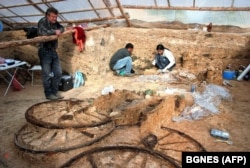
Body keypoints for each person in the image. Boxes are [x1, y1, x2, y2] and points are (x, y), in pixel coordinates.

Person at [38, 7, 64, 100]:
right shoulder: (42, 22)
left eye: (56, 17)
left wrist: (60, 30)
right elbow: (42, 32)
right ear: (47, 15)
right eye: (53, 17)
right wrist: (54, 31)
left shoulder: (55, 23)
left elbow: (62, 27)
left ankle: (54, 92)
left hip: (53, 51)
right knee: (47, 75)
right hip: (44, 51)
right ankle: (48, 94)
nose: (55, 19)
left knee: (58, 73)